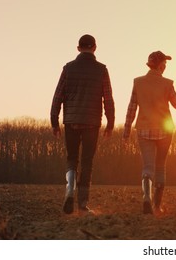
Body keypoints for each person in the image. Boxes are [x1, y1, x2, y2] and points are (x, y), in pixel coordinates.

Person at [50, 34, 115, 215]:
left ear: (78, 48)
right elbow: (108, 98)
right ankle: (83, 204)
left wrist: (54, 121)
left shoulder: (68, 68)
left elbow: (58, 96)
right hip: (92, 122)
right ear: (95, 48)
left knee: (72, 158)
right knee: (87, 162)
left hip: (71, 121)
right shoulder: (102, 70)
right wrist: (110, 123)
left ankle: (70, 189)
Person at [123, 51, 176, 214]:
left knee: (148, 166)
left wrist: (126, 130)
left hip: (144, 129)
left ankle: (146, 196)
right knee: (160, 167)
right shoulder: (167, 83)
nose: (165, 66)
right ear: (159, 65)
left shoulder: (138, 82)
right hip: (165, 130)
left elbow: (132, 107)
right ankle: (157, 206)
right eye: (164, 63)